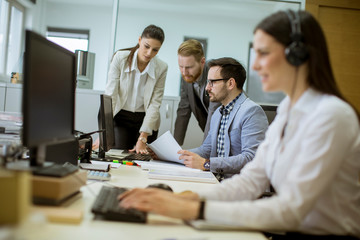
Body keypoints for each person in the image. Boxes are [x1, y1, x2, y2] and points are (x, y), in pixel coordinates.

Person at [118, 10, 360, 239]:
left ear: (297, 55)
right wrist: (187, 200)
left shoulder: (332, 115)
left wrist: (196, 209)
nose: (255, 66)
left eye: (264, 53)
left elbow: (290, 210)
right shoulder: (288, 110)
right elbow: (251, 180)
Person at [178, 57, 268, 180]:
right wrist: (175, 155)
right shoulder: (218, 114)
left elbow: (251, 158)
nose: (207, 88)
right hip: (217, 182)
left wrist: (206, 164)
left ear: (230, 83)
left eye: (212, 82)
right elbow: (206, 150)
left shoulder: (252, 112)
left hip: (239, 187)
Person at [104, 24, 168, 154]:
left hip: (146, 119)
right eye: (146, 46)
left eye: (155, 50)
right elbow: (111, 96)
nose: (149, 53)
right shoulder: (120, 58)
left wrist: (143, 137)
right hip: (121, 116)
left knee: (142, 158)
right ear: (139, 40)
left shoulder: (162, 67)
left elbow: (154, 104)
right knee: (118, 155)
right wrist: (104, 133)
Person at [174, 39, 221, 146]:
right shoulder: (186, 77)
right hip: (210, 132)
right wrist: (175, 147)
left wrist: (205, 147)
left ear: (202, 62)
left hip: (228, 131)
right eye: (181, 67)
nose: (184, 72)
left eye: (189, 67)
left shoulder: (216, 73)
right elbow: (183, 111)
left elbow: (214, 111)